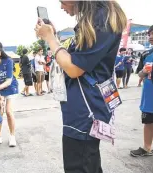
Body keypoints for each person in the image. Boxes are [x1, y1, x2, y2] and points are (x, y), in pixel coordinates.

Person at [35, 1, 127, 173]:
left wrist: (50, 38)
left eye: (62, 2)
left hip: (85, 109)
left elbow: (73, 68)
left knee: (80, 164)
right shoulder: (96, 18)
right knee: (86, 161)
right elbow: (77, 57)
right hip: (83, 105)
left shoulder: (102, 18)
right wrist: (53, 36)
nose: (62, 7)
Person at [130, 25, 153, 157]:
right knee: (148, 122)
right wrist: (144, 72)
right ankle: (147, 148)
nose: (150, 36)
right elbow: (139, 73)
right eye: (149, 34)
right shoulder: (146, 54)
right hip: (149, 97)